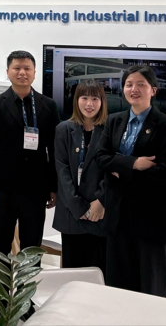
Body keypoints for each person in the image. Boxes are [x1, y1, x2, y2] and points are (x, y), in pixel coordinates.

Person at [97, 65, 166, 297]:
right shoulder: (114, 121)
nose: (134, 89)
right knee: (117, 287)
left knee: (150, 288)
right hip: (118, 216)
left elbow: (165, 172)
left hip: (152, 218)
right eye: (129, 84)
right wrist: (133, 164)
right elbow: (101, 158)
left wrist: (120, 169)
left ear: (153, 90)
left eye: (141, 84)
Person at [0, 50, 58, 260]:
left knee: (31, 246)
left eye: (27, 68)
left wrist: (53, 187)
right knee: (0, 244)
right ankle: (1, 282)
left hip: (36, 188)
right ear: (8, 72)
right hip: (3, 187)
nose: (22, 72)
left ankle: (27, 283)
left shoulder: (48, 105)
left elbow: (54, 149)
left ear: (34, 73)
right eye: (17, 68)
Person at [53, 79, 108, 275]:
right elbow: (62, 171)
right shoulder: (63, 130)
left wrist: (100, 202)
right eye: (84, 98)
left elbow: (111, 171)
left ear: (102, 102)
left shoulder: (109, 130)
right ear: (76, 100)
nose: (89, 104)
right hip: (71, 214)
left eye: (95, 99)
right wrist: (78, 206)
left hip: (100, 213)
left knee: (99, 274)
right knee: (73, 275)